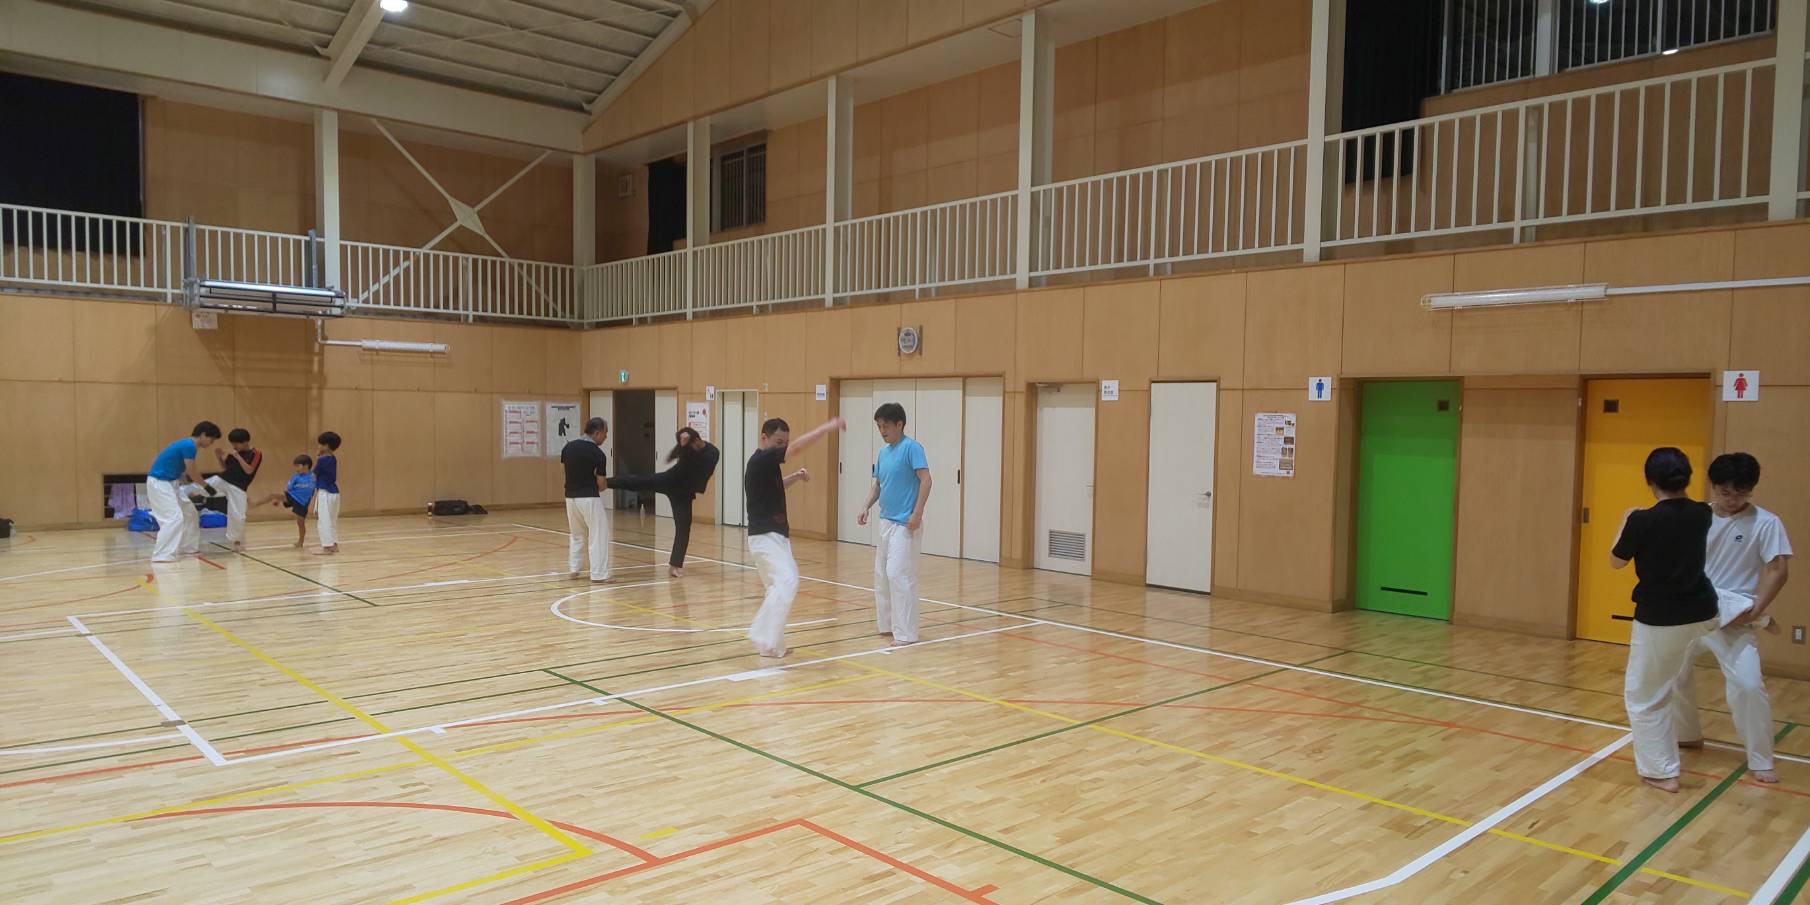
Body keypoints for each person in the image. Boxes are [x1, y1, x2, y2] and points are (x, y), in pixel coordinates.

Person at [1670, 452, 1790, 784]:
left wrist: (1757, 610)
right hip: (1693, 611)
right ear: (1713, 486)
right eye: (1725, 492)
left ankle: (1761, 759)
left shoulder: (1766, 522)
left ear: (1751, 489)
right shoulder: (1696, 517)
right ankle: (1686, 734)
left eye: (1741, 493)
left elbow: (1778, 570)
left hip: (1736, 617)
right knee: (1674, 673)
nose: (1732, 499)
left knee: (1748, 685)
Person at [1611, 447, 1720, 793]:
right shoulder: (1703, 513)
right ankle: (1688, 734)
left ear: (1649, 480)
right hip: (1704, 612)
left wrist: (1626, 519)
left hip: (1662, 618)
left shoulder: (1642, 520)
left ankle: (1661, 772)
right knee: (1678, 671)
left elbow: (1616, 561)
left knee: (1644, 694)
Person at [745, 416, 846, 658]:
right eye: (779, 442)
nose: (783, 447)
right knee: (787, 581)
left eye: (785, 442)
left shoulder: (766, 465)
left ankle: (772, 646)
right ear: (764, 438)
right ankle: (761, 635)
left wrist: (796, 477)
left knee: (777, 588)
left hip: (774, 537)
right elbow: (798, 447)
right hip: (765, 536)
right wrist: (826, 427)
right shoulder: (760, 459)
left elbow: (776, 486)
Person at [857, 402, 932, 646]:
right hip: (886, 521)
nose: (882, 431)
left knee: (898, 574)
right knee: (882, 575)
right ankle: (887, 625)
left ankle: (906, 633)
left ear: (899, 424)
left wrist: (917, 513)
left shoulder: (912, 448)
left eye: (886, 426)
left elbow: (926, 480)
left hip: (905, 524)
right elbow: (878, 485)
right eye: (879, 426)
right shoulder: (883, 453)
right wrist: (865, 506)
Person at [607, 427, 720, 577]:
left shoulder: (712, 454)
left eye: (687, 444)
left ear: (697, 441)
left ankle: (675, 566)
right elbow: (679, 452)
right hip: (670, 480)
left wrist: (682, 447)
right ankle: (605, 483)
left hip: (683, 494)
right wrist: (680, 446)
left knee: (683, 528)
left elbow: (695, 459)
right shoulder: (687, 450)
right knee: (639, 481)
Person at [147, 421, 221, 563]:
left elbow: (180, 469)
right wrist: (206, 487)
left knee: (189, 512)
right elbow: (192, 471)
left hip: (171, 483)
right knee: (173, 517)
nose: (211, 443)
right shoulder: (189, 446)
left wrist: (186, 486)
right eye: (211, 439)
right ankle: (162, 555)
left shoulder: (187, 445)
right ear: (203, 435)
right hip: (160, 483)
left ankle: (188, 547)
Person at [560, 417, 611, 582]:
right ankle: (599, 574)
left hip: (570, 497)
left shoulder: (568, 447)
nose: (606, 437)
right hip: (589, 498)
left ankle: (574, 569)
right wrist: (601, 485)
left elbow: (564, 471)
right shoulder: (598, 454)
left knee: (576, 534)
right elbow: (601, 483)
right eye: (605, 433)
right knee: (598, 535)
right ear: (596, 433)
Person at [206, 428, 262, 553]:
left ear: (245, 442)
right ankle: (180, 492)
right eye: (233, 443)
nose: (234, 446)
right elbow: (225, 468)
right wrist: (219, 458)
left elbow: (249, 470)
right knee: (200, 487)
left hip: (239, 487)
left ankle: (237, 542)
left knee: (238, 516)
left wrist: (238, 457)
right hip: (224, 480)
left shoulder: (255, 453)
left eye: (236, 443)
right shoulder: (234, 452)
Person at [253, 455, 316, 549]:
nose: (296, 468)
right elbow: (287, 489)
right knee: (272, 495)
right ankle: (255, 504)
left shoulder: (313, 476)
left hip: (302, 503)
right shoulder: (295, 477)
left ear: (306, 466)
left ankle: (301, 542)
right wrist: (279, 499)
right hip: (292, 496)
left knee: (300, 523)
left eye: (298, 466)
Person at [313, 431, 342, 554]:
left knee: (323, 520)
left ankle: (327, 547)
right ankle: (334, 544)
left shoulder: (322, 460)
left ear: (326, 446)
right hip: (335, 493)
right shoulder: (333, 458)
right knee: (332, 520)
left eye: (320, 444)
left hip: (325, 493)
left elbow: (314, 474)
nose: (318, 446)